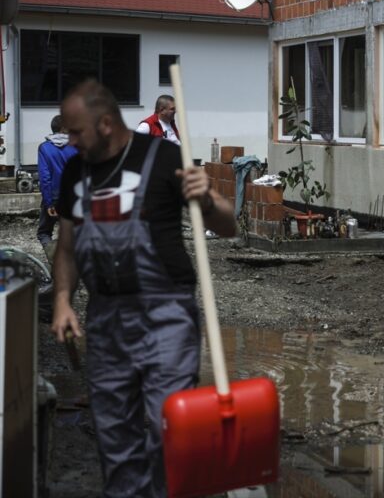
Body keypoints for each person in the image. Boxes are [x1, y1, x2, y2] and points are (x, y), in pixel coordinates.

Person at [52, 79, 235, 497]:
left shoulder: (164, 157)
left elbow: (228, 224)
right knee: (114, 433)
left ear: (104, 124)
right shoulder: (74, 172)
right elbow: (66, 248)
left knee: (165, 428)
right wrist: (63, 299)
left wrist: (206, 199)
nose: (70, 140)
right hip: (105, 320)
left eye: (76, 132)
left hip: (165, 316)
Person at [36, 114, 78, 264]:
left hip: (53, 197)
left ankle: (56, 264)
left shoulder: (44, 148)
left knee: (44, 232)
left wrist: (48, 203)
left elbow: (45, 178)